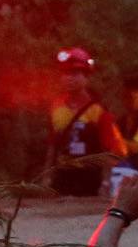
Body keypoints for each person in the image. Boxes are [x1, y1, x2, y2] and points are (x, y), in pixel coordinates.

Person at [47, 47, 124, 195]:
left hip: (89, 178)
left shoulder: (99, 110)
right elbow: (52, 145)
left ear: (86, 77)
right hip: (62, 176)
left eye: (75, 73)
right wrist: (48, 176)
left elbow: (109, 150)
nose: (69, 78)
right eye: (65, 73)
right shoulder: (56, 107)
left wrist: (106, 181)